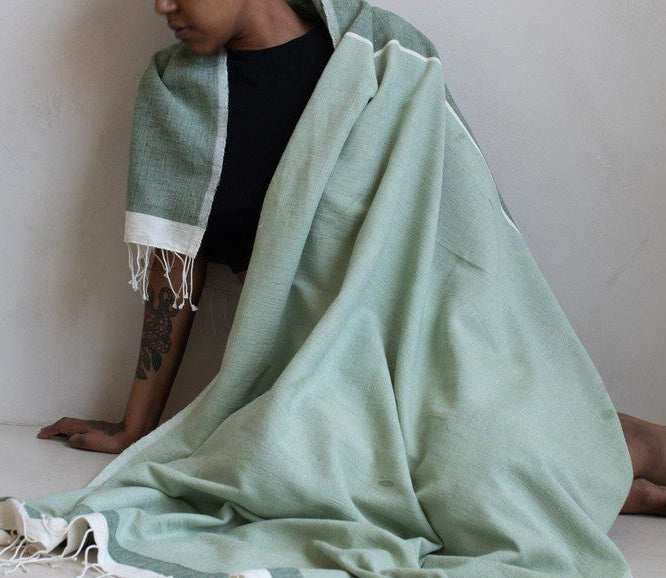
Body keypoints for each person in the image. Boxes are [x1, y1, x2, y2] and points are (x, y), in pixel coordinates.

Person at [37, 0, 666, 520]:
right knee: (308, 474)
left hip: (431, 340)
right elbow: (173, 274)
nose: (162, 7)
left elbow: (462, 221)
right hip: (307, 374)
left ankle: (598, 468)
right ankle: (599, 485)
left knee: (521, 438)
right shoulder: (176, 97)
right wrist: (135, 427)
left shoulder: (386, 57)